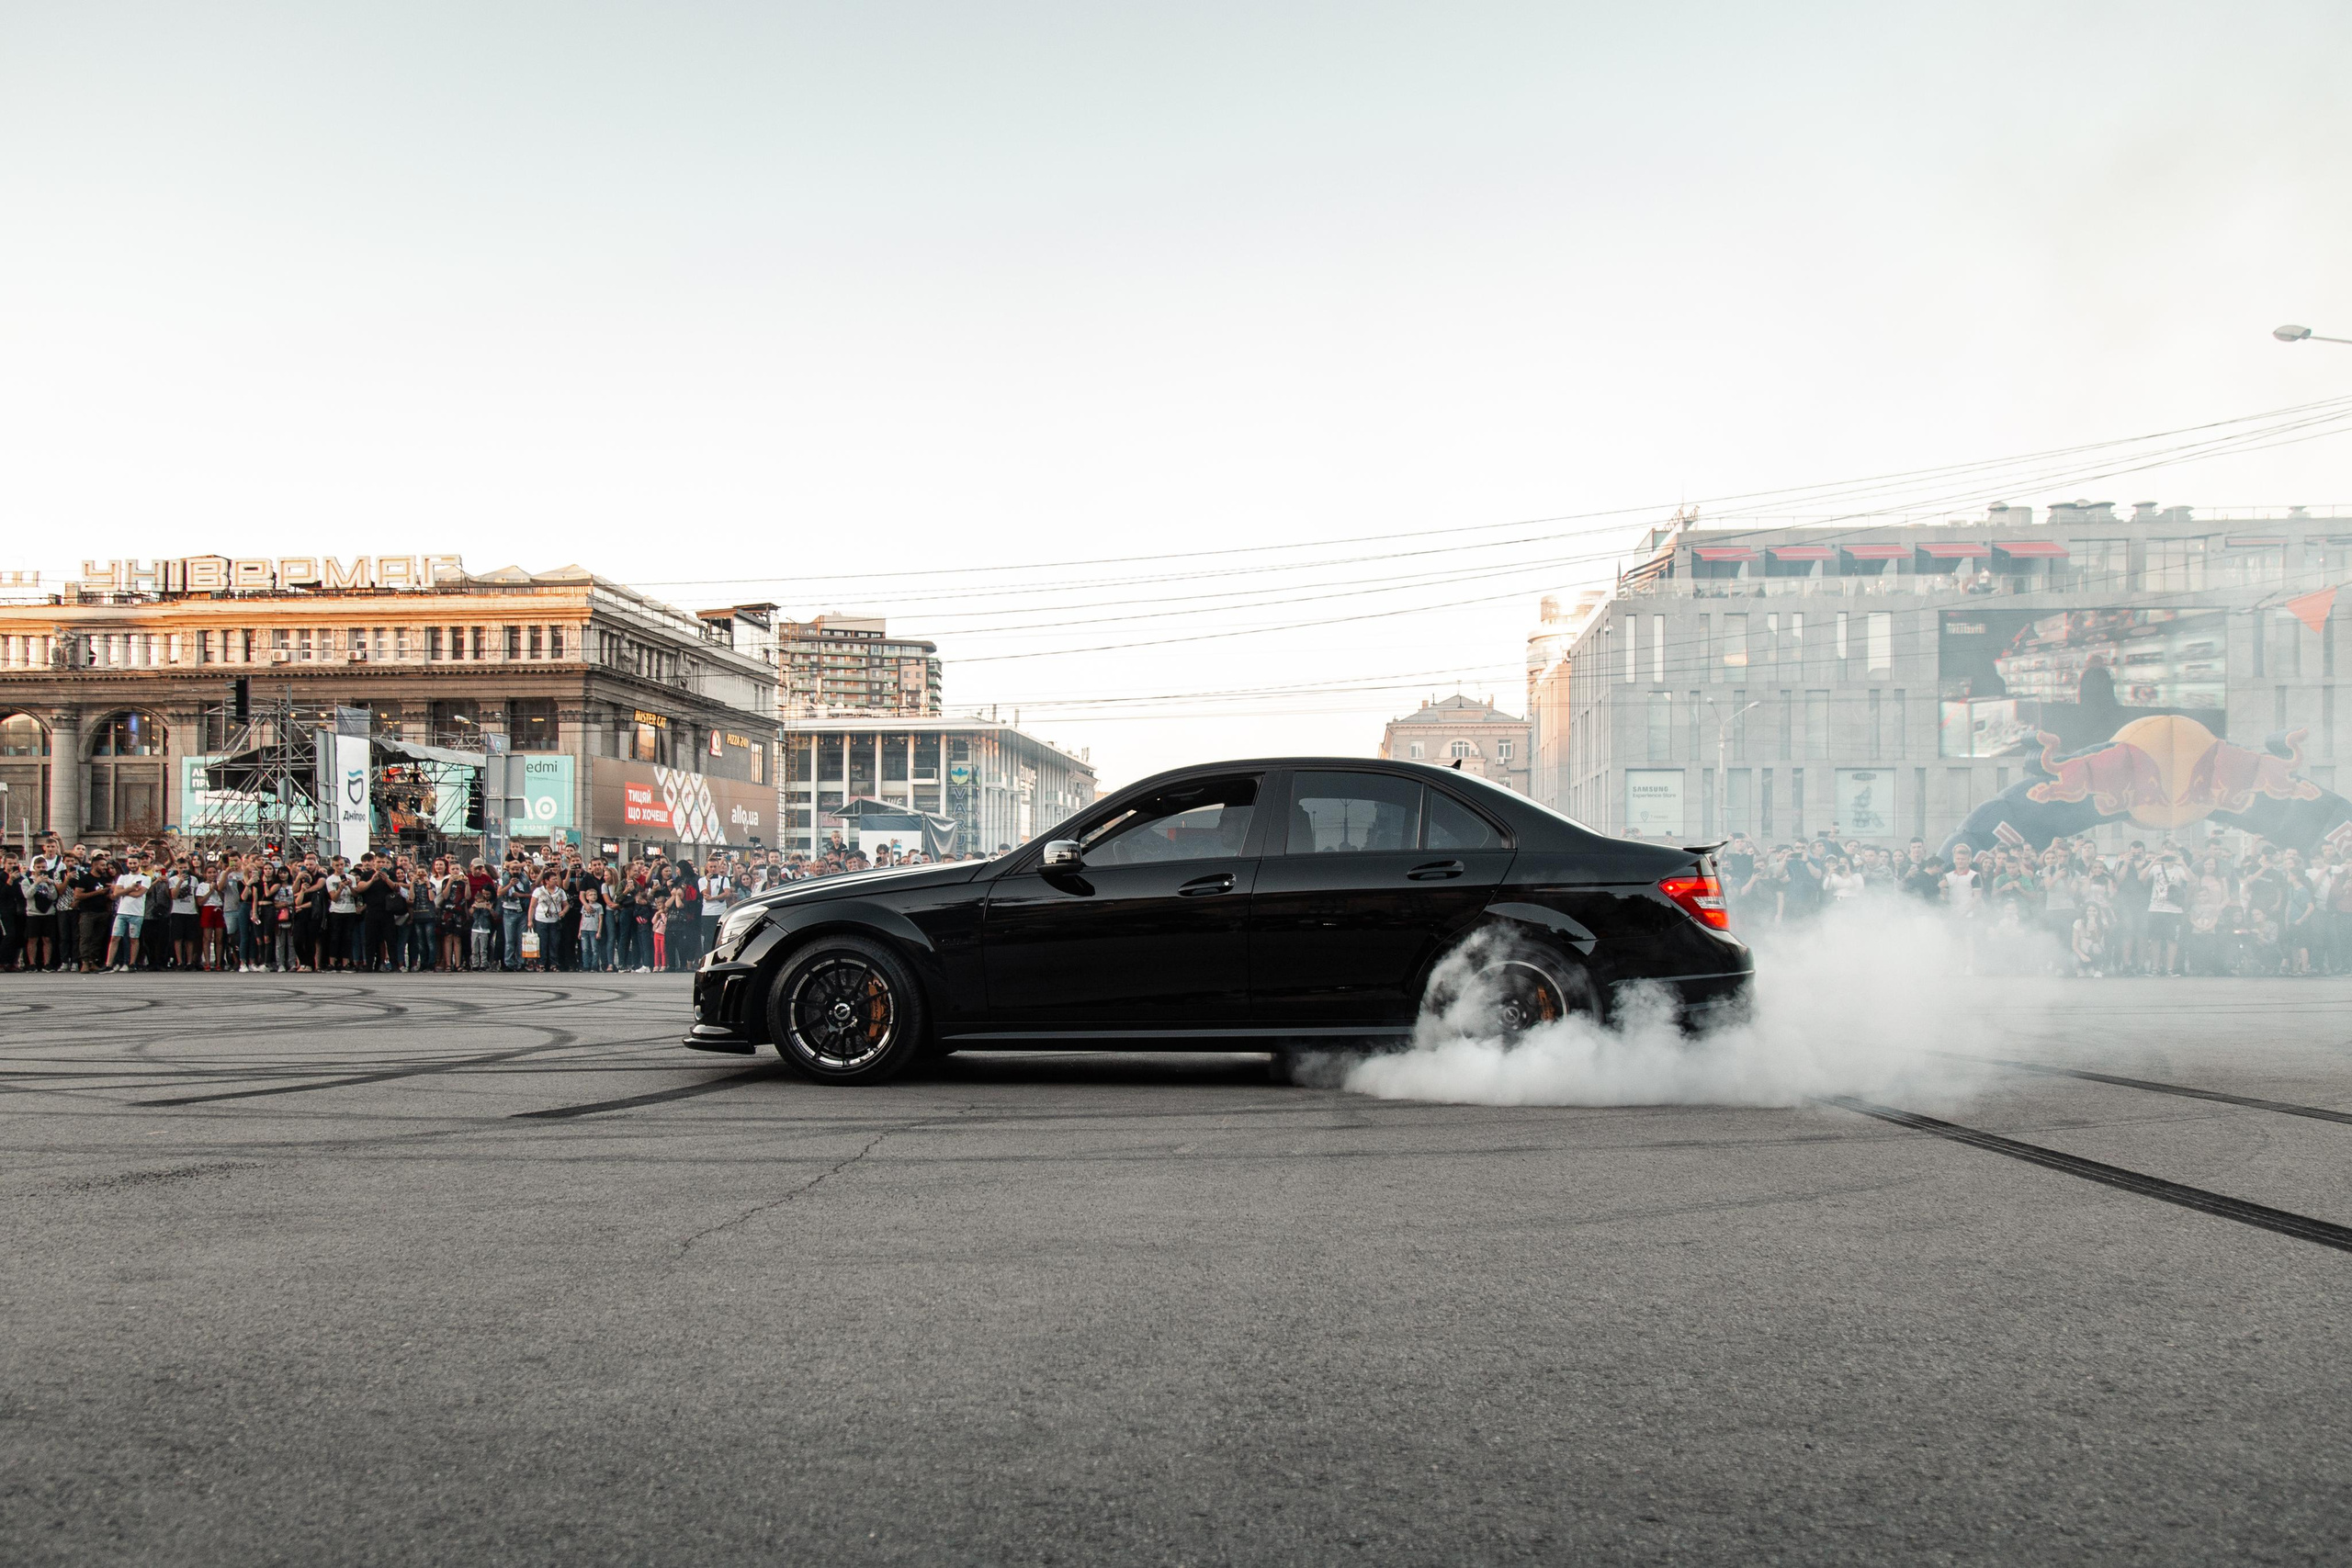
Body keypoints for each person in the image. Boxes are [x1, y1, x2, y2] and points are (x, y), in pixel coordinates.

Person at [107, 856, 154, 971]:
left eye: (134, 863)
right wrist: (130, 889)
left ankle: (132, 963)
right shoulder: (123, 877)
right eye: (130, 863)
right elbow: (116, 892)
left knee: (134, 939)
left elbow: (139, 894)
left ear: (138, 863)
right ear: (127, 864)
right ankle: (109, 964)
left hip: (136, 912)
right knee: (115, 937)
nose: (132, 865)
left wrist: (123, 891)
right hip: (122, 912)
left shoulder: (145, 878)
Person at [529, 871, 568, 973]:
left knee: (554, 943)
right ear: (547, 881)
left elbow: (566, 904)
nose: (555, 881)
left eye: (556, 879)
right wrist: (530, 920)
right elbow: (532, 906)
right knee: (542, 942)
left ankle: (553, 964)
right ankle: (541, 963)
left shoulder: (560, 891)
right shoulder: (538, 891)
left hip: (554, 920)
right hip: (541, 919)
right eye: (553, 879)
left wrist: (564, 911)